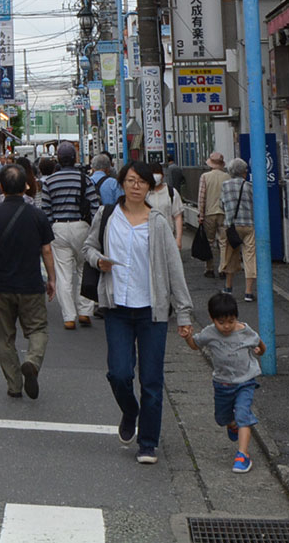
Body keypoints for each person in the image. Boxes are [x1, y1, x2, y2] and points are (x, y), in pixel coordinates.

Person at [84, 160, 195, 466]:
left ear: (149, 187)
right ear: (121, 183)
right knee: (118, 373)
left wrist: (184, 314)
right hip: (117, 307)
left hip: (152, 311)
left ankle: (148, 442)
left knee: (152, 381)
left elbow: (174, 269)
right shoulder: (106, 215)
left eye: (141, 182)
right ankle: (130, 411)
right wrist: (98, 261)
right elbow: (88, 247)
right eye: (130, 180)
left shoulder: (158, 222)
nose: (135, 186)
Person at [0, 164, 56, 399]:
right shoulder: (38, 215)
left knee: (5, 336)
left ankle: (14, 385)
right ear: (26, 186)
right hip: (31, 282)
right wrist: (51, 279)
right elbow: (46, 251)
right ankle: (32, 361)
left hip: (2, 284)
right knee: (38, 328)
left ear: (1, 187)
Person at [187, 291, 265, 473]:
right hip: (222, 383)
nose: (226, 326)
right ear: (212, 319)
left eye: (231, 321)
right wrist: (187, 337)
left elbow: (259, 342)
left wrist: (260, 351)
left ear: (236, 317)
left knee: (243, 415)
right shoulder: (209, 333)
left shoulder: (245, 331)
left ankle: (243, 455)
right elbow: (195, 345)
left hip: (245, 381)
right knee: (222, 418)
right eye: (221, 323)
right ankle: (231, 424)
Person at [39, 144, 97, 331]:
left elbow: (46, 210)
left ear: (58, 158)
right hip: (82, 226)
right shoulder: (84, 179)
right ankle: (85, 312)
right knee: (83, 269)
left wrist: (48, 233)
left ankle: (69, 317)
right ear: (74, 158)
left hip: (59, 227)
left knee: (63, 274)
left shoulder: (50, 181)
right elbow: (94, 206)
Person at [219, 158, 257, 303]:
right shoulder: (249, 186)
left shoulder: (225, 186)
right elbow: (255, 204)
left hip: (231, 226)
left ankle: (228, 287)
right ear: (243, 172)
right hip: (248, 225)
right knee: (249, 256)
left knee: (230, 255)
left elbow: (222, 204)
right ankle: (248, 292)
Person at [196, 152, 228, 278]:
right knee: (224, 241)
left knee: (209, 241)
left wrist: (201, 215)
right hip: (224, 213)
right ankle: (223, 268)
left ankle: (209, 268)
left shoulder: (205, 176)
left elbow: (201, 197)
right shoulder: (227, 177)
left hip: (209, 213)